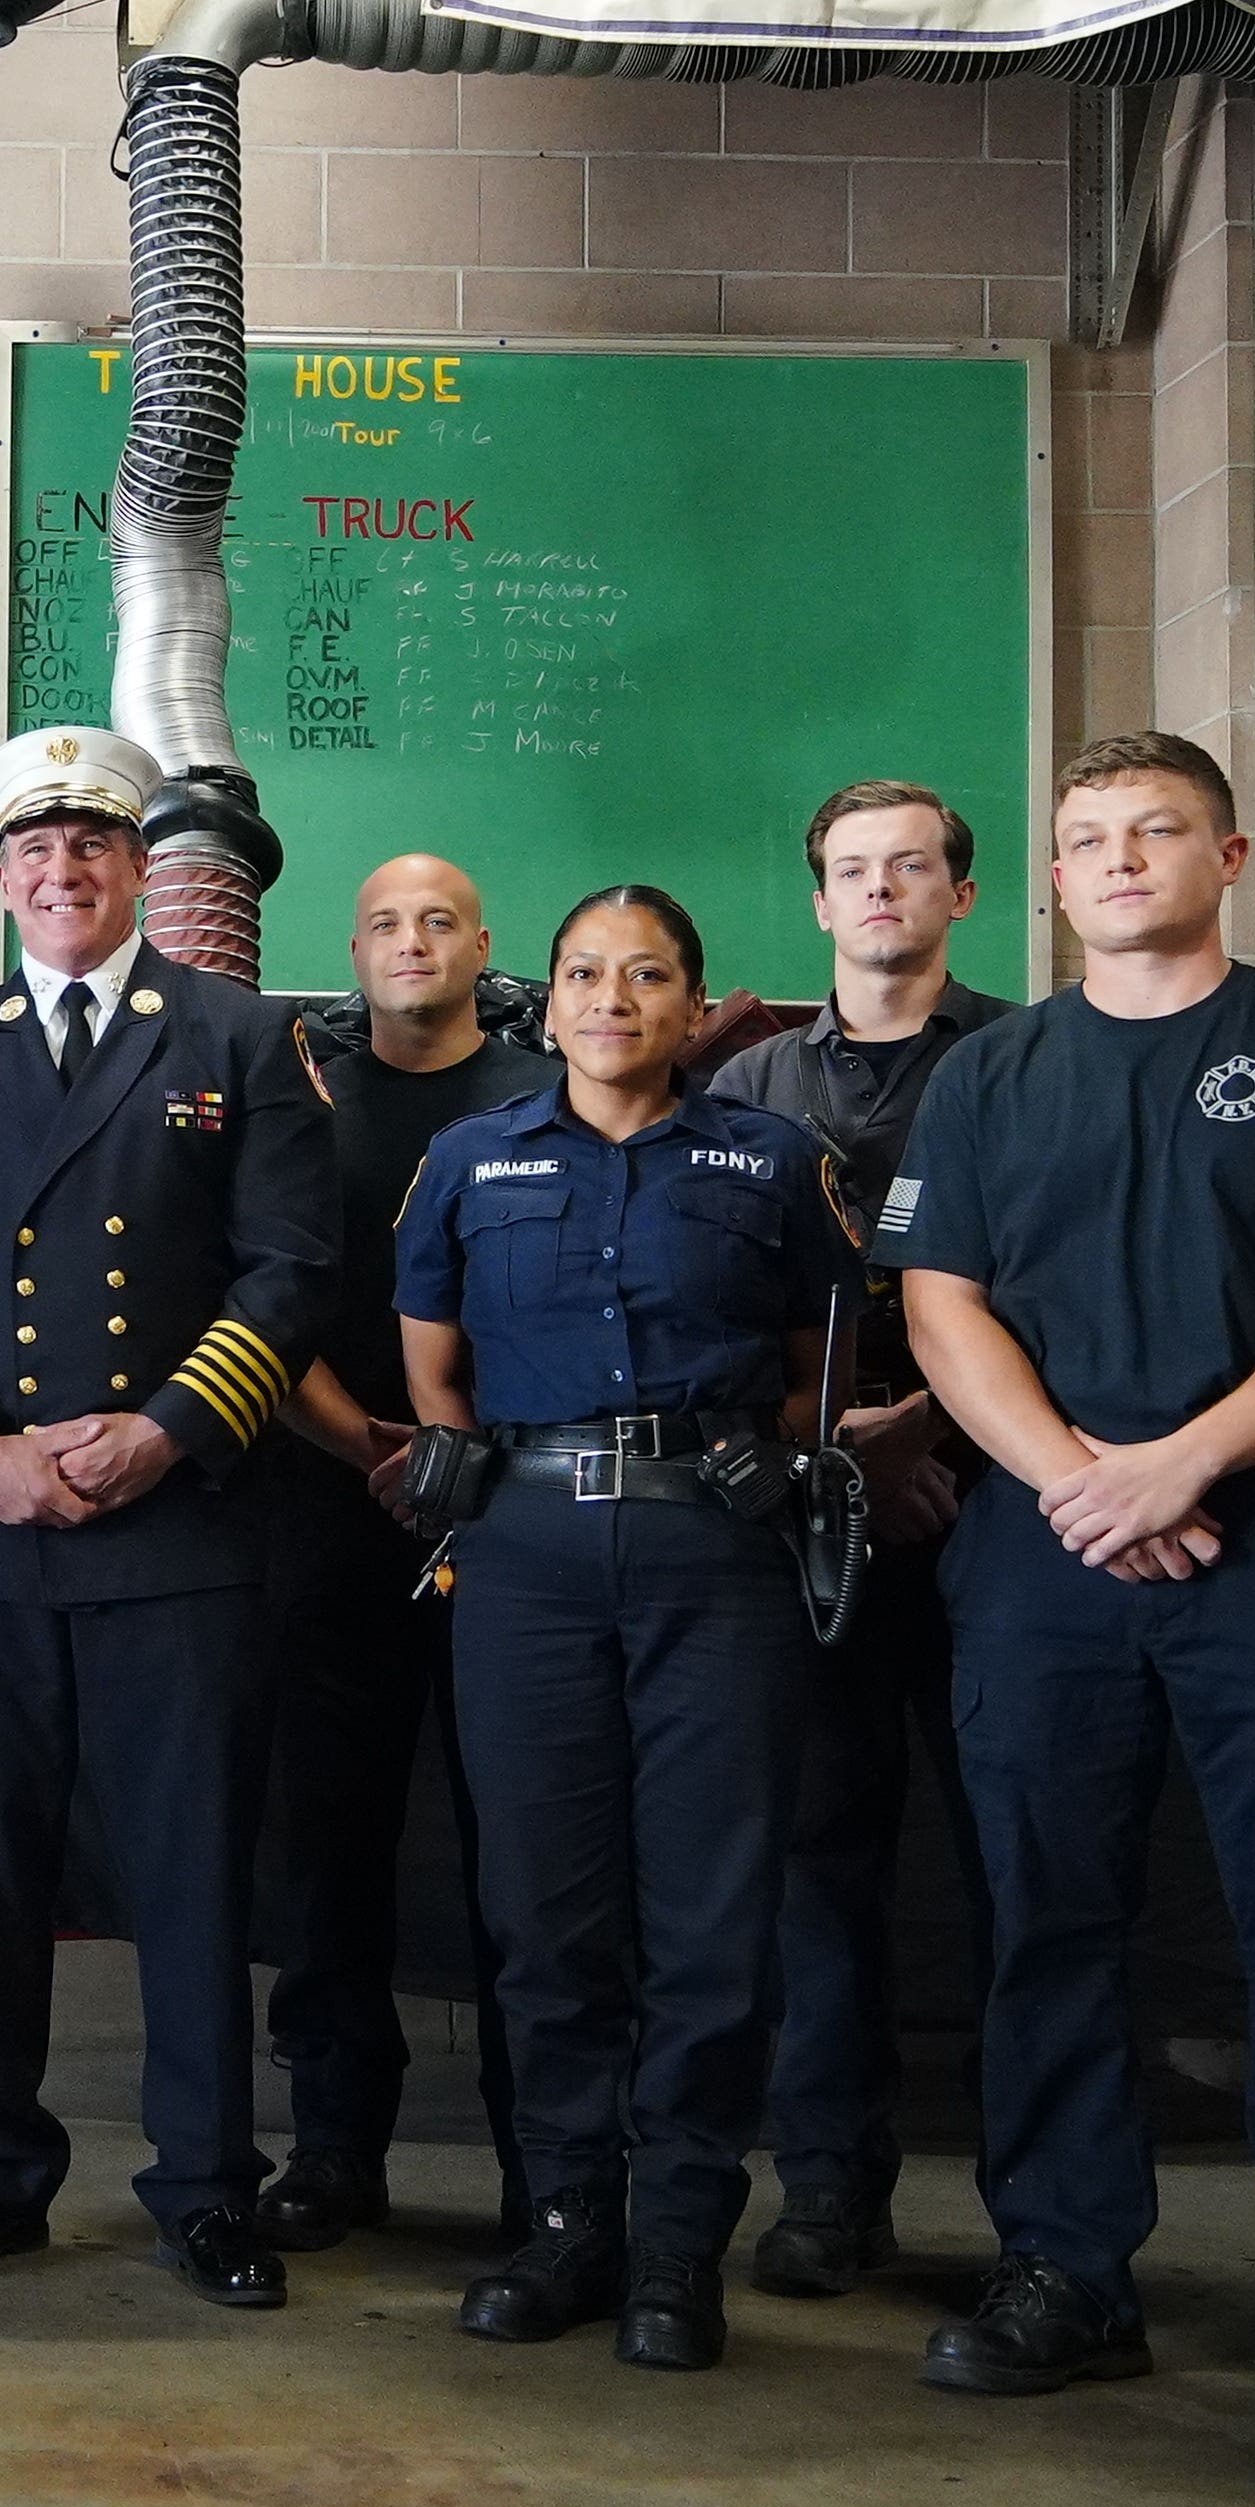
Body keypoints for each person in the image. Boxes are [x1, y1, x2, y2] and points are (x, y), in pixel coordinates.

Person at [883, 730, 1255, 2461]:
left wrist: (1183, 1464)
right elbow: (942, 1310)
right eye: (1089, 838)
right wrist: (1080, 1480)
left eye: (1160, 832)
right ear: (1050, 882)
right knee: (1048, 1921)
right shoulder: (989, 1078)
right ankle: (1065, 2267)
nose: (1122, 859)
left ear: (1233, 857)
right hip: (1044, 1549)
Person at [0, 726, 338, 2311]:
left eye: (91, 850)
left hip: (177, 1529)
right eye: (34, 852)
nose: (61, 874)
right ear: (0, 877)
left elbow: (287, 1272)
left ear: (138, 868)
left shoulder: (236, 1039)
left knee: (193, 1870)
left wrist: (166, 1429)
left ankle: (206, 2188)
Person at [396, 883, 858, 2371]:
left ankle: (678, 2248)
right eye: (586, 972)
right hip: (524, 1558)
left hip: (715, 1551)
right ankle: (563, 2225)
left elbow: (818, 1365)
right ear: (551, 995)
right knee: (547, 1911)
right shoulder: (468, 1160)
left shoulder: (772, 1156)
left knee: (714, 1914)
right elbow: (433, 1366)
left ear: (691, 998)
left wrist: (764, 1453)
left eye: (648, 975)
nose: (613, 999)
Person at [712, 780, 1013, 2301]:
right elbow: (709, 1305)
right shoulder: (750, 1085)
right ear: (818, 904)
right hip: (801, 1526)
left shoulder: (1030, 1062)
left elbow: (1068, 1288)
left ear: (960, 894)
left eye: (912, 867)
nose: (882, 889)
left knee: (1022, 1862)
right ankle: (830, 2188)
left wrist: (936, 1440)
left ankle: (1045, 2215)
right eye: (852, 870)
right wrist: (827, 1454)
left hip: (998, 1511)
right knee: (820, 1865)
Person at [252, 851, 549, 2250]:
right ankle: (329, 2148)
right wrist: (369, 1449)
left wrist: (463, 1464)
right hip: (328, 1506)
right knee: (330, 1846)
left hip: (510, 1519)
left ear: (481, 946)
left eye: (440, 920)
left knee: (527, 1851)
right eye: (385, 923)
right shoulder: (299, 1103)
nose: (412, 940)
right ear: (353, 949)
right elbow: (265, 1300)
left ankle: (542, 2161)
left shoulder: (545, 1100)